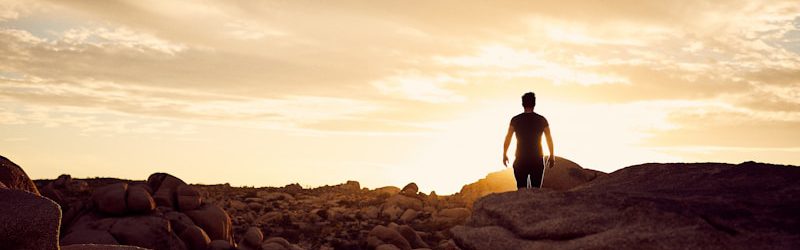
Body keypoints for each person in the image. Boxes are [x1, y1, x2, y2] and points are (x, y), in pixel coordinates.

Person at [503, 92, 555, 189]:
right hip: (537, 159)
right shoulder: (542, 120)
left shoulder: (515, 120)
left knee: (521, 190)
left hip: (520, 159)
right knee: (536, 190)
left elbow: (508, 137)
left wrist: (504, 154)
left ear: (522, 104)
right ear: (534, 104)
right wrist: (552, 155)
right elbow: (549, 138)